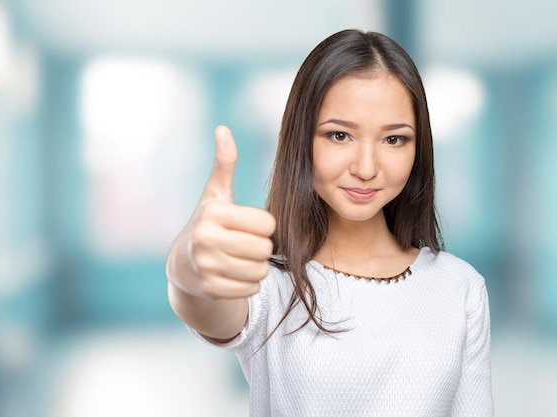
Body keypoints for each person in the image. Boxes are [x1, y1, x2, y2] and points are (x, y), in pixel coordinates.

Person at [165, 29, 493, 417]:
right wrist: (186, 269)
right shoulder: (269, 284)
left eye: (394, 140)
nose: (366, 168)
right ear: (302, 141)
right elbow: (208, 309)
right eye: (340, 135)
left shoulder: (461, 288)